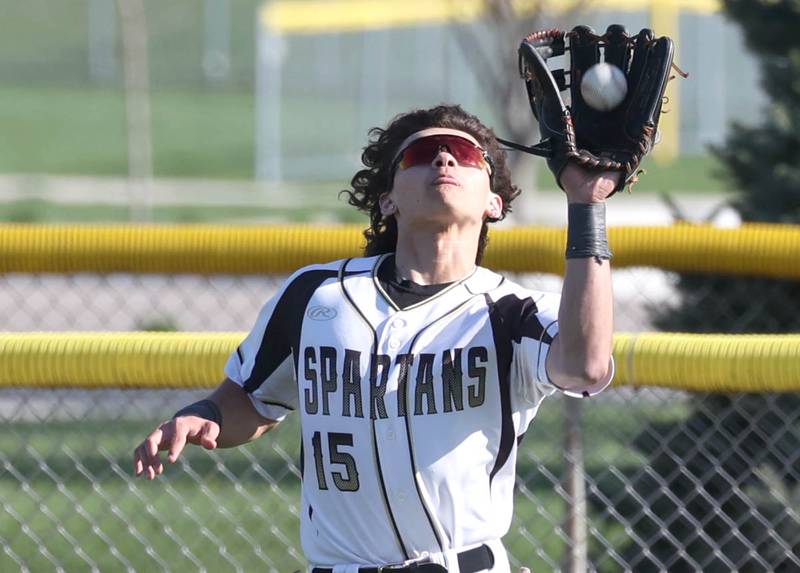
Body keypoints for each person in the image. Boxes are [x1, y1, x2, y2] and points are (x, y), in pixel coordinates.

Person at [133, 104, 616, 572]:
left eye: (465, 156)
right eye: (419, 155)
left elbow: (586, 367)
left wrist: (587, 206)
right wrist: (207, 415)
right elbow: (251, 401)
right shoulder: (318, 295)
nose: (443, 159)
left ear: (494, 202)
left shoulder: (510, 312)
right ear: (388, 199)